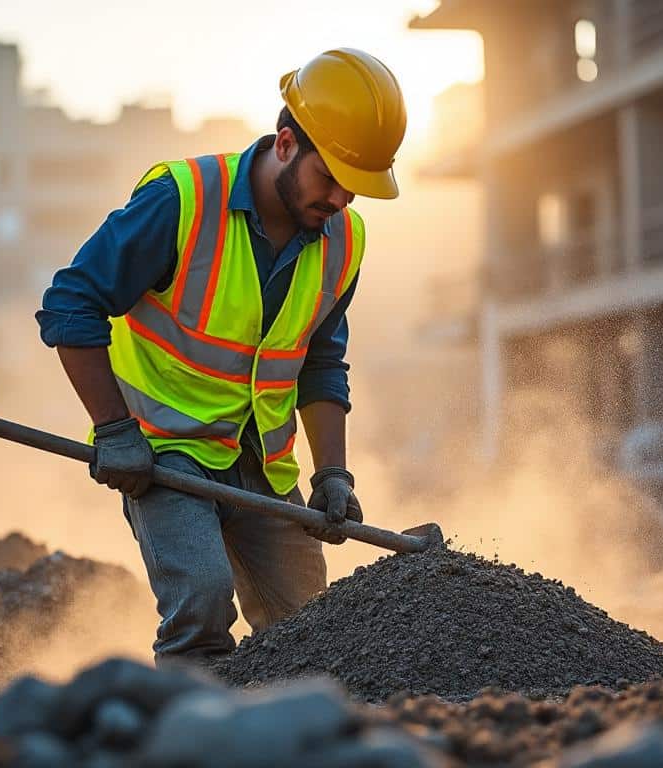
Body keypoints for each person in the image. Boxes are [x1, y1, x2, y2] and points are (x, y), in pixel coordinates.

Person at [35, 48, 406, 666]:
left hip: (263, 464)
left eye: (356, 187)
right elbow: (71, 304)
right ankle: (190, 715)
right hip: (164, 451)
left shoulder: (344, 240)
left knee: (314, 632)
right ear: (286, 143)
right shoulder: (182, 201)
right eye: (331, 178)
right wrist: (115, 431)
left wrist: (332, 475)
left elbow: (320, 363)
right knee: (202, 606)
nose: (342, 199)